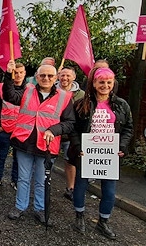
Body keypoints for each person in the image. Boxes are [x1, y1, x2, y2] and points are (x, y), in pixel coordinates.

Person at [3, 60, 75, 226]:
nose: (46, 78)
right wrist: (8, 74)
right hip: (24, 142)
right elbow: (9, 95)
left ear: (55, 78)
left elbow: (70, 122)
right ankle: (20, 206)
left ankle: (40, 209)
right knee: (23, 178)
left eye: (50, 75)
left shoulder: (64, 97)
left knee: (42, 180)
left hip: (47, 145)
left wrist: (54, 130)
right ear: (36, 76)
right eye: (42, 75)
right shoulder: (27, 90)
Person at [68, 67, 133, 240]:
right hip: (87, 154)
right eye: (101, 82)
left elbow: (128, 128)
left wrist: (122, 146)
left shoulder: (122, 105)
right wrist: (78, 146)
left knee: (109, 191)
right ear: (94, 83)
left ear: (113, 84)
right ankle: (79, 217)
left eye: (108, 82)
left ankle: (103, 222)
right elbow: (73, 128)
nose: (105, 85)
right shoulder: (82, 104)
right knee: (80, 186)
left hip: (109, 156)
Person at [0, 62, 25, 190]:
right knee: (1, 155)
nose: (18, 75)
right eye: (16, 72)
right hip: (4, 129)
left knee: (18, 157)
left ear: (25, 73)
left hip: (20, 130)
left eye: (21, 72)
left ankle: (15, 180)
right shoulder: (1, 88)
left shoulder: (29, 90)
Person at [55, 66, 85, 200]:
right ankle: (44, 185)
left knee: (70, 161)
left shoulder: (81, 95)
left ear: (74, 77)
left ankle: (70, 188)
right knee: (47, 161)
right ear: (58, 76)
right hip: (54, 133)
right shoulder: (52, 90)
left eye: (68, 76)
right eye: (62, 75)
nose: (65, 78)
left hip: (71, 135)